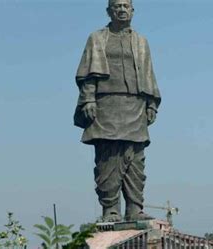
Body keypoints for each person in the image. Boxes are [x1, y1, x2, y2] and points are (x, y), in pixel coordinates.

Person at [73, 0, 161, 222]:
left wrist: (150, 104)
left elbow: (149, 75)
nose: (121, 10)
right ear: (109, 11)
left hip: (135, 105)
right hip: (107, 105)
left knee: (135, 158)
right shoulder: (97, 38)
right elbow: (87, 75)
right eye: (117, 6)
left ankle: (134, 207)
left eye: (125, 6)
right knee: (108, 158)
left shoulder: (141, 42)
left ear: (132, 11)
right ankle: (110, 209)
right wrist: (88, 100)